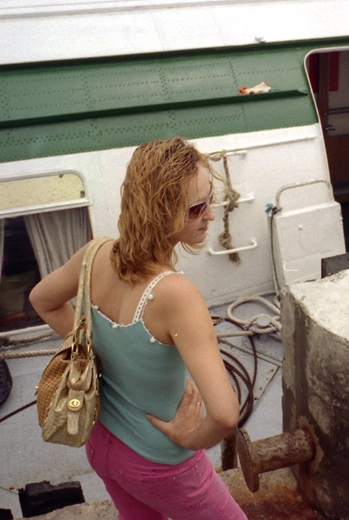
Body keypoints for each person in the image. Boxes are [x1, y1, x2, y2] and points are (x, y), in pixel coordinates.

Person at [29, 138, 247, 520]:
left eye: (209, 200)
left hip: (102, 445)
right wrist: (186, 437)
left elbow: (42, 299)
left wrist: (101, 361)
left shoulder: (93, 255)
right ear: (160, 213)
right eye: (197, 208)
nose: (211, 215)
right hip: (162, 465)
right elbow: (226, 415)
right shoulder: (177, 294)